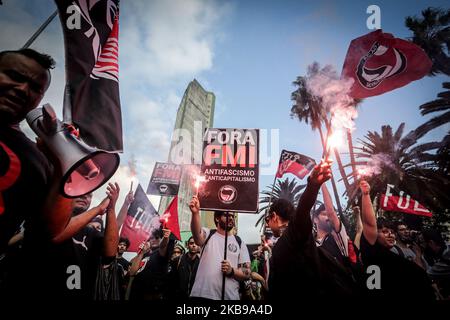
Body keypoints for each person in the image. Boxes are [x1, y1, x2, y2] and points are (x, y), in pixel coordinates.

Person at [0, 48, 73, 264]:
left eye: (35, 88)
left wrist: (62, 163)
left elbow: (48, 230)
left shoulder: (37, 160)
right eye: (14, 76)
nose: (23, 89)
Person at [267, 160, 360, 299]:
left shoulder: (295, 233)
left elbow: (302, 211)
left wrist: (313, 185)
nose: (267, 225)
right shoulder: (285, 241)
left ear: (274, 216)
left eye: (266, 220)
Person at [358, 180, 435, 300]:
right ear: (373, 234)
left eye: (393, 232)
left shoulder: (396, 252)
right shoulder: (371, 251)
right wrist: (366, 194)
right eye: (384, 231)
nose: (391, 235)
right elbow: (369, 223)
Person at [189, 197, 251, 300]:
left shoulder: (239, 242)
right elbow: (197, 236)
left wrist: (232, 271)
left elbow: (247, 272)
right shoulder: (208, 234)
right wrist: (195, 213)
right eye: (226, 215)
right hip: (202, 295)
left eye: (232, 216)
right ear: (217, 218)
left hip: (230, 297)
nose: (231, 218)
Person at [128, 228, 174, 300]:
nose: (153, 240)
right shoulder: (145, 254)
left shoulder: (160, 253)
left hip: (150, 294)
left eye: (156, 237)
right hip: (136, 293)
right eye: (151, 238)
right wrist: (141, 253)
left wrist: (165, 237)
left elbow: (163, 246)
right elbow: (132, 272)